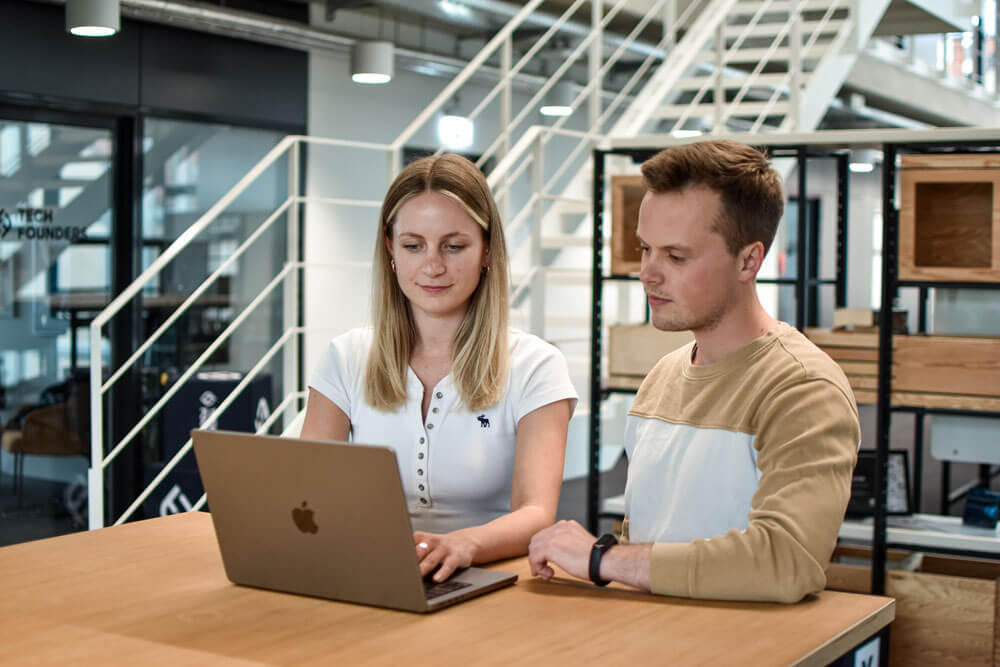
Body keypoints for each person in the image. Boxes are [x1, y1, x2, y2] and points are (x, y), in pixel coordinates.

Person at [528, 140, 860, 603]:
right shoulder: (662, 377)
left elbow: (788, 562)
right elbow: (646, 536)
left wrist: (602, 558)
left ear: (749, 260)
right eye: (646, 248)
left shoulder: (802, 388)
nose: (647, 272)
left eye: (676, 257)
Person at [301, 153, 577, 584]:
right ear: (390, 249)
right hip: (370, 570)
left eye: (454, 246)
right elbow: (306, 489)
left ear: (487, 250)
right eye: (413, 246)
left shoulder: (536, 365)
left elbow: (535, 513)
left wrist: (465, 544)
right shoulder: (347, 356)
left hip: (487, 576)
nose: (432, 266)